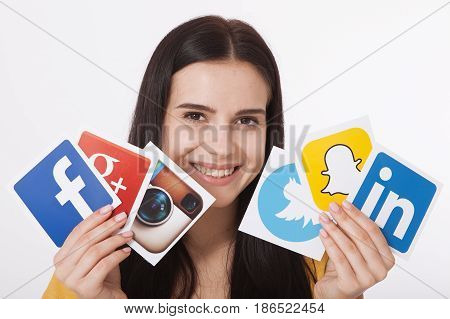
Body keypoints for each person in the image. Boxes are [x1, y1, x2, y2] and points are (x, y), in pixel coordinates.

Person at [42, 15, 394, 299]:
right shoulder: (88, 268)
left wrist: (338, 306)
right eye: (195, 116)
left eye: (246, 120)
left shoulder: (319, 258)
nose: (222, 147)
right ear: (156, 122)